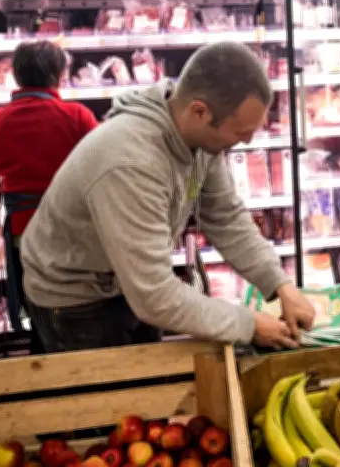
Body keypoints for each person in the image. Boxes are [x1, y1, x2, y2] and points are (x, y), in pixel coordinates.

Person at [20, 41, 315, 352]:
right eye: (240, 132)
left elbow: (226, 217)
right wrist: (248, 324)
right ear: (200, 111)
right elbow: (154, 296)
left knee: (149, 386)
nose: (247, 141)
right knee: (108, 398)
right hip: (74, 300)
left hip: (126, 280)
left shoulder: (202, 140)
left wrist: (280, 284)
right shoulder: (131, 161)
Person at [0, 40, 98, 347]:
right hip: (70, 227)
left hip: (23, 227)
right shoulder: (77, 115)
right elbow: (97, 167)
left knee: (35, 299)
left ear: (17, 76)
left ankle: (42, 349)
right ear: (59, 75)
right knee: (78, 301)